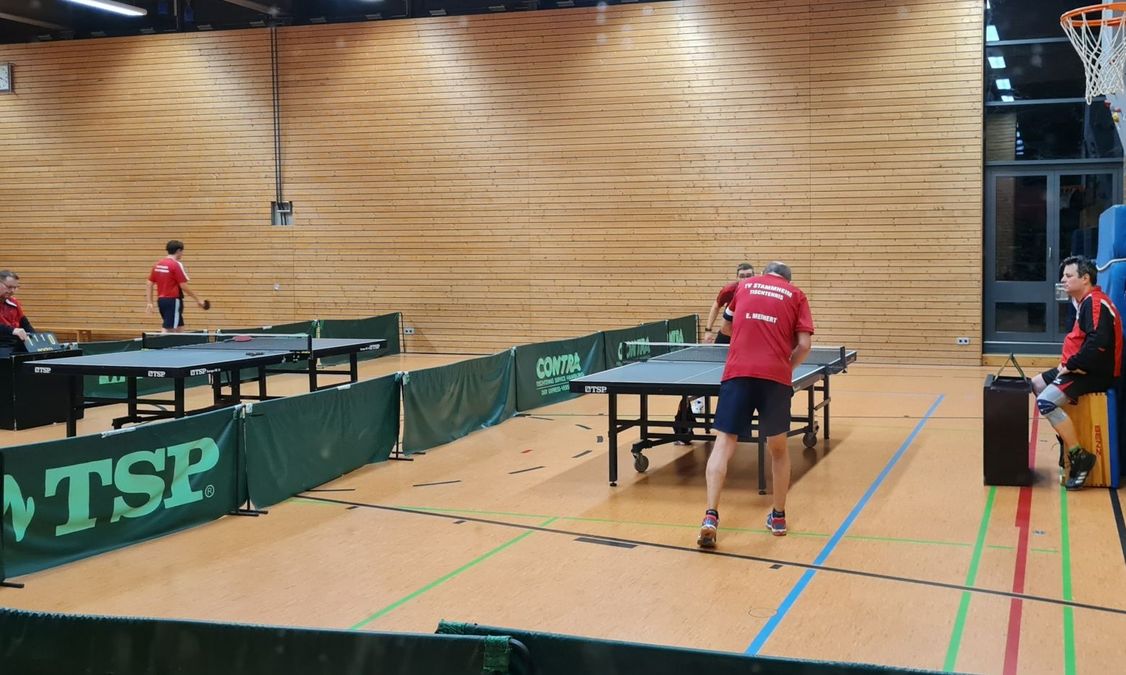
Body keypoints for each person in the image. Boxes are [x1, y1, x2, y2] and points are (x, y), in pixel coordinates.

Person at [698, 261, 814, 547]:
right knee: (778, 450)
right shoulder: (796, 295)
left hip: (738, 372)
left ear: (763, 274)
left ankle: (710, 516)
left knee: (724, 442)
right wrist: (787, 368)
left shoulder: (743, 287)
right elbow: (804, 345)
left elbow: (726, 326)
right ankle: (778, 517)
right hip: (775, 377)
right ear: (788, 280)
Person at [1031, 255, 1122, 490]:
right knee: (1036, 384)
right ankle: (1066, 438)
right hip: (1078, 367)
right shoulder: (1084, 302)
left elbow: (1098, 345)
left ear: (1085, 278)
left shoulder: (1095, 303)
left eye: (1068, 275)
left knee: (1045, 402)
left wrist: (1070, 365)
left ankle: (1079, 456)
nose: (1063, 279)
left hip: (1091, 372)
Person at [146, 240, 206, 334]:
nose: (182, 254)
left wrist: (150, 302)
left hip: (162, 301)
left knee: (179, 327)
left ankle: (181, 343)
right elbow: (183, 286)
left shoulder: (158, 264)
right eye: (182, 251)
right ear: (178, 251)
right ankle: (160, 343)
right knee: (169, 329)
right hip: (173, 301)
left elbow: (149, 283)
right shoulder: (175, 265)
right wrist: (198, 299)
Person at [704, 263, 756, 344]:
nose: (745, 279)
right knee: (717, 351)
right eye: (742, 276)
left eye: (748, 276)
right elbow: (716, 307)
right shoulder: (729, 290)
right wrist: (708, 330)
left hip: (749, 333)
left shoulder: (760, 292)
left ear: (754, 277)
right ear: (737, 278)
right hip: (728, 330)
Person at [0, 270, 35, 356]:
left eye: (15, 287)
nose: (12, 291)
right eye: (9, 287)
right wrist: (13, 330)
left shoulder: (14, 302)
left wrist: (36, 339)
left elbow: (25, 324)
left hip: (13, 343)